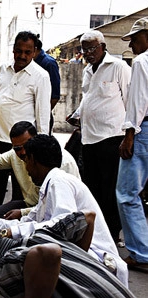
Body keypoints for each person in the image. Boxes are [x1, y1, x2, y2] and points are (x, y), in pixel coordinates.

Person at [0, 134, 129, 286]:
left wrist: (11, 233)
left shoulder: (59, 182)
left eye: (26, 161)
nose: (26, 168)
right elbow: (25, 223)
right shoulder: (50, 185)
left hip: (99, 262)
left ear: (33, 160)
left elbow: (63, 225)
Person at [0, 212, 135, 297]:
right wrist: (72, 268)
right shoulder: (42, 235)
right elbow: (87, 218)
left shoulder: (1, 270)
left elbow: (48, 253)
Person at [67, 30, 131, 244]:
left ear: (103, 46)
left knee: (109, 190)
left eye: (92, 48)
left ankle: (113, 235)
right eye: (84, 49)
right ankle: (97, 234)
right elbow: (89, 98)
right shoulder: (87, 70)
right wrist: (77, 115)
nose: (87, 53)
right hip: (89, 139)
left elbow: (131, 102)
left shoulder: (118, 67)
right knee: (91, 189)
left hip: (112, 138)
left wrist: (129, 136)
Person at [0, 31, 51, 207]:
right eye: (18, 51)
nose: (22, 56)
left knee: (20, 193)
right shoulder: (4, 68)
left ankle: (16, 230)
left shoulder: (41, 76)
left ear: (35, 52)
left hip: (23, 145)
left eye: (27, 52)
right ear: (13, 50)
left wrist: (40, 146)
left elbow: (43, 114)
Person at [0, 121, 80, 219]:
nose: (23, 152)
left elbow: (59, 210)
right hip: (32, 207)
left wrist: (22, 214)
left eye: (26, 146)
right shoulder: (16, 156)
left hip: (56, 212)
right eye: (17, 148)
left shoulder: (63, 162)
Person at [117, 17, 148, 272]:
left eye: (135, 39)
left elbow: (137, 101)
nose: (133, 45)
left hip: (143, 129)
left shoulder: (142, 62)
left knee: (127, 193)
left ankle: (141, 253)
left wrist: (130, 135)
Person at [34, 38, 61, 134]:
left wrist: (43, 113)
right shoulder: (29, 63)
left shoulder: (49, 63)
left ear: (35, 49)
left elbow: (55, 95)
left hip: (42, 116)